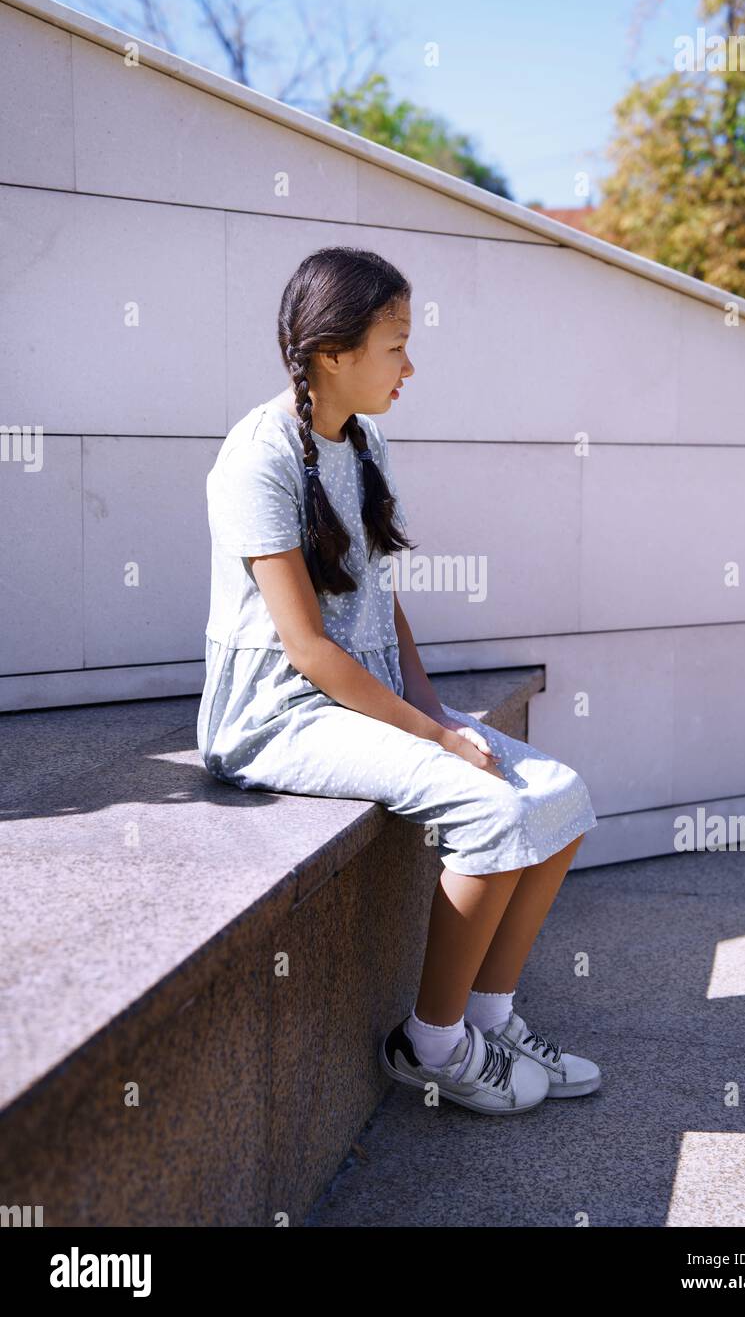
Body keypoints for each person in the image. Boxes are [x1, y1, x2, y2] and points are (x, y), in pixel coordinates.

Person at [197, 245, 601, 1116]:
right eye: (396, 346)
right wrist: (437, 739)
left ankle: (489, 1019)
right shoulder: (256, 457)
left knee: (559, 796)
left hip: (368, 695)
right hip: (281, 716)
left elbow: (383, 607)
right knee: (493, 810)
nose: (410, 366)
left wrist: (435, 710)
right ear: (333, 352)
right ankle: (432, 1045)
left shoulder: (363, 439)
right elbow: (306, 647)